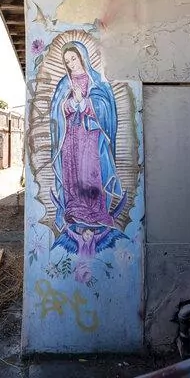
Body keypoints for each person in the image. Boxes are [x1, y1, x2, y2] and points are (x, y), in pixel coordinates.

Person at [50, 41, 127, 255]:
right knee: (72, 173)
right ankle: (74, 209)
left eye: (73, 58)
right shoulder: (64, 83)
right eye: (67, 61)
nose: (71, 64)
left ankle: (95, 211)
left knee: (90, 172)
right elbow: (57, 111)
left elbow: (105, 107)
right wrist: (71, 104)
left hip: (90, 136)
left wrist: (84, 103)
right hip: (70, 137)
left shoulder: (97, 81)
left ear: (82, 57)